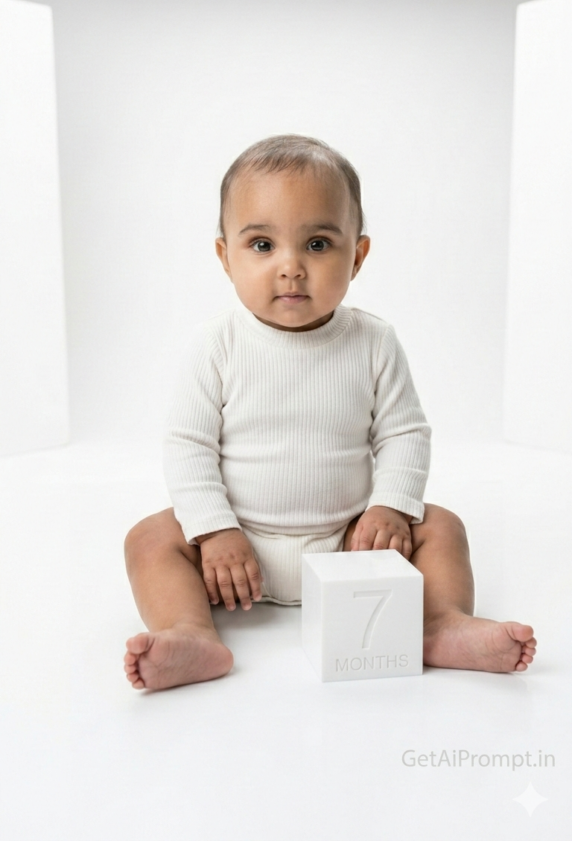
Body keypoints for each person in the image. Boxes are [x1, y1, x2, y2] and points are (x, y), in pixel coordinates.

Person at [123, 134, 536, 690]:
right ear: (225, 257)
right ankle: (191, 632)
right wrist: (215, 530)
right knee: (149, 539)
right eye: (262, 245)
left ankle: (440, 625)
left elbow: (404, 433)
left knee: (441, 525)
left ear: (357, 256)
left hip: (351, 542)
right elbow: (188, 446)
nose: (291, 268)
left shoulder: (373, 341)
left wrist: (389, 507)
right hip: (236, 548)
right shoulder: (216, 345)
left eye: (317, 244)